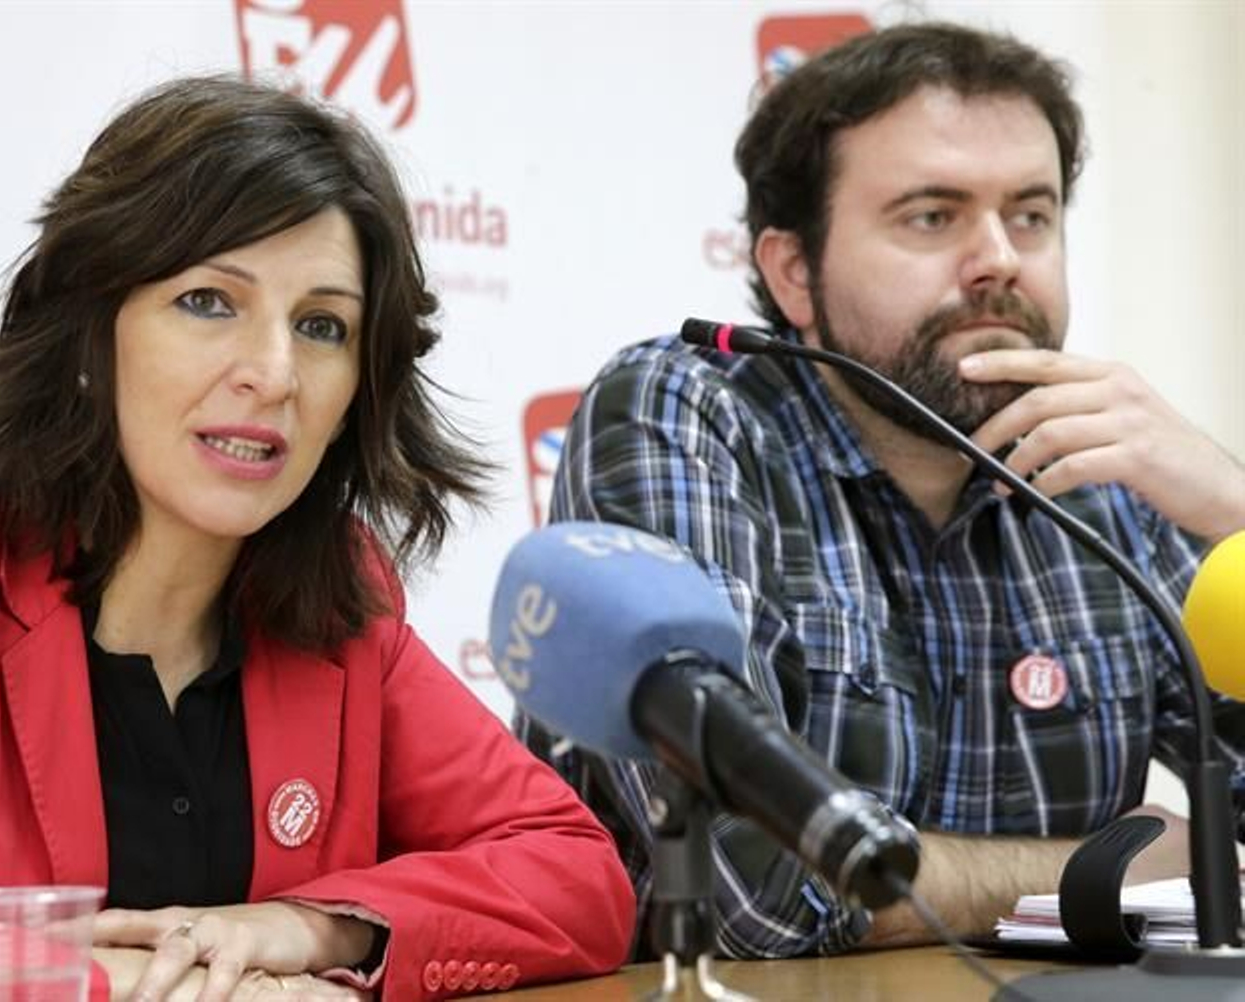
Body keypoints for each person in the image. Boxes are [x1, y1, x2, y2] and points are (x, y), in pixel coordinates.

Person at [0, 75, 635, 1000]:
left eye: (323, 326)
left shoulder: (338, 599)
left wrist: (309, 928)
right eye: (209, 302)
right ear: (90, 330)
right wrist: (68, 981)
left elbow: (576, 874)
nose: (274, 371)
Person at [518, 22, 1245, 960]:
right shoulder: (685, 416)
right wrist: (1103, 870)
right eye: (932, 217)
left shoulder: (1104, 471)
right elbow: (749, 888)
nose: (999, 260)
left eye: (1030, 215)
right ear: (793, 273)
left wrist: (1235, 510)